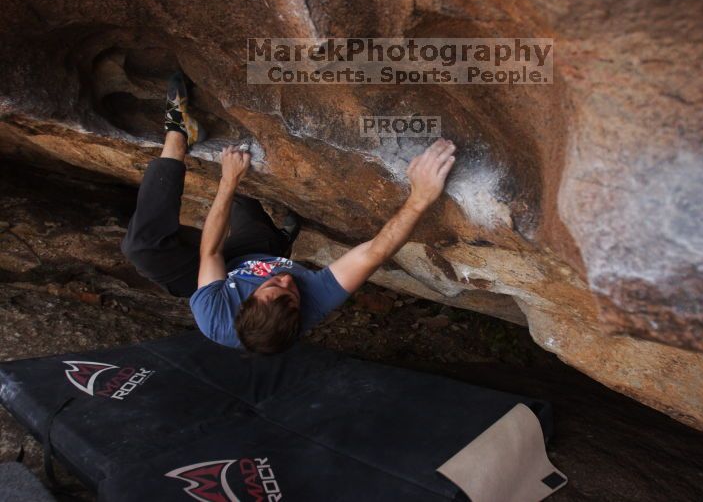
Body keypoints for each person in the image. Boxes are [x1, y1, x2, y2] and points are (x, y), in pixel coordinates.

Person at [122, 72, 457, 354]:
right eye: (291, 293)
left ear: (244, 303)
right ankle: (280, 241)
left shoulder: (214, 315)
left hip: (215, 269)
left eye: (273, 288)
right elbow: (374, 253)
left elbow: (210, 251)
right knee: (250, 211)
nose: (286, 280)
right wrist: (420, 198)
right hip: (260, 250)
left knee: (142, 248)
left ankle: (178, 134)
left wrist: (229, 181)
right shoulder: (314, 301)